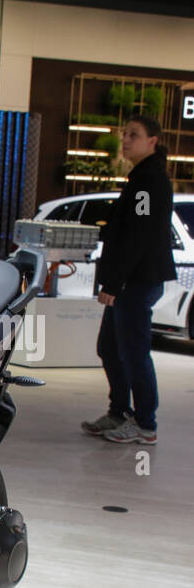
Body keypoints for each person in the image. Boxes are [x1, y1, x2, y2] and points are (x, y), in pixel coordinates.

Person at [82, 115, 175, 445]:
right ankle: (119, 410)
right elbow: (127, 229)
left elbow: (138, 234)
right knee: (109, 347)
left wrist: (113, 283)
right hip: (129, 281)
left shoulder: (150, 181)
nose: (125, 140)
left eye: (133, 135)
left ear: (153, 141)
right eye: (124, 134)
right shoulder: (140, 180)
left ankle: (145, 423)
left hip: (137, 281)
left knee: (133, 351)